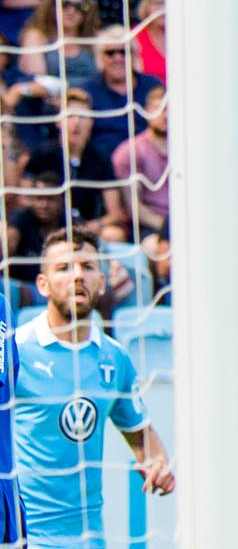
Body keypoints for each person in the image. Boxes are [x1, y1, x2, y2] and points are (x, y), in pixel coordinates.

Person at [16, 230, 172, 544]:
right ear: (42, 285)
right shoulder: (16, 350)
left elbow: (143, 440)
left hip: (88, 537)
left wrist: (158, 465)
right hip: (24, 535)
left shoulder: (114, 358)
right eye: (64, 268)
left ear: (101, 281)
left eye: (87, 267)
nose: (77, 276)